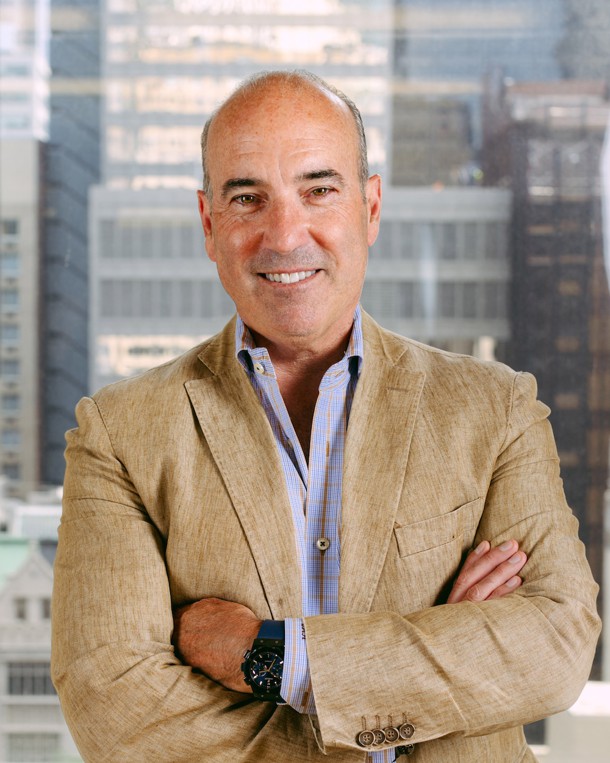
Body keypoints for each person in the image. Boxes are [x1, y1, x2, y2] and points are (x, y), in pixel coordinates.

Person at [51, 70, 600, 763]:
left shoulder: (495, 409)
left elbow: (553, 644)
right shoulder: (119, 435)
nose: (285, 235)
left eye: (319, 190)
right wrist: (433, 670)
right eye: (247, 198)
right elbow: (115, 708)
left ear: (370, 208)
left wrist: (264, 656)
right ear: (209, 225)